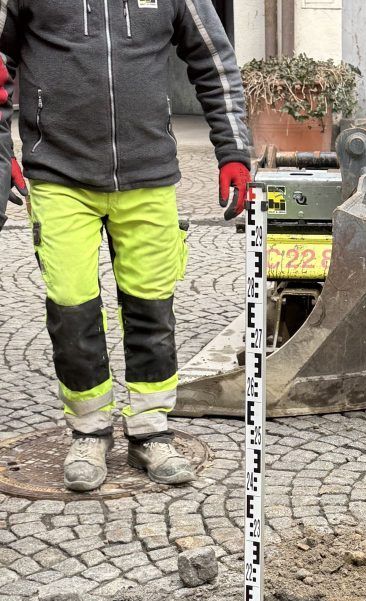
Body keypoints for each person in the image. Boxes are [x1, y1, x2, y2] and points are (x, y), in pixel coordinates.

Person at [0, 0, 251, 491]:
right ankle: (89, 432)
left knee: (152, 307)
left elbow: (214, 61)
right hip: (58, 174)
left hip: (149, 175)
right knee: (72, 308)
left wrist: (233, 150)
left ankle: (150, 431)